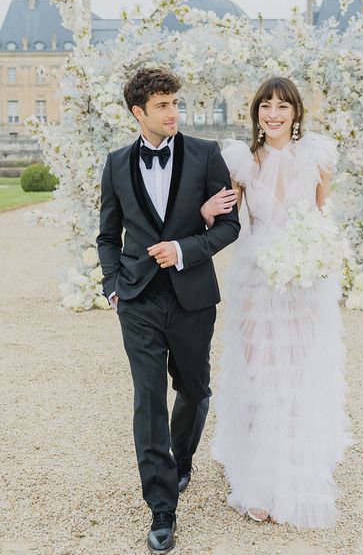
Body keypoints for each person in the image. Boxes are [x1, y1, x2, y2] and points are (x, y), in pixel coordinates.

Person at [96, 67, 240, 554]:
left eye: (175, 102)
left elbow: (229, 227)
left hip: (193, 297)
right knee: (148, 396)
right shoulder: (115, 163)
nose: (173, 112)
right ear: (139, 112)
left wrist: (182, 249)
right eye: (162, 105)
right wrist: (112, 284)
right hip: (136, 300)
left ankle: (182, 461)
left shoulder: (205, 154)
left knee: (196, 389)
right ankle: (161, 507)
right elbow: (106, 235)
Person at [201, 76, 353, 529]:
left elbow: (322, 215)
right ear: (256, 114)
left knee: (297, 373)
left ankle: (293, 469)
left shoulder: (318, 158)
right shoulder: (243, 162)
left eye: (282, 106)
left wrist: (320, 254)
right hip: (256, 278)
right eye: (266, 105)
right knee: (260, 372)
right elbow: (227, 218)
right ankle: (258, 481)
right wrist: (208, 212)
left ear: (296, 113)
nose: (273, 114)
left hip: (305, 280)